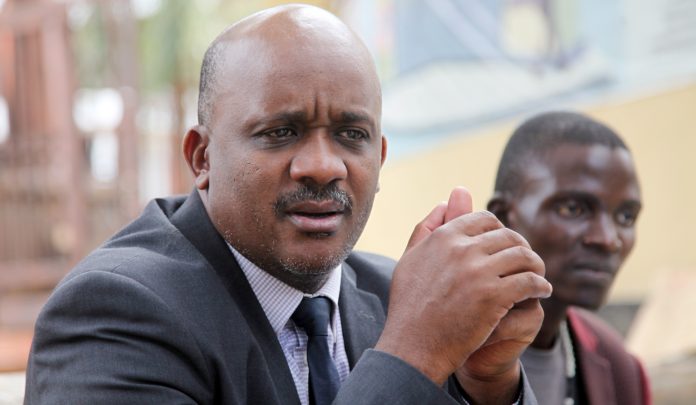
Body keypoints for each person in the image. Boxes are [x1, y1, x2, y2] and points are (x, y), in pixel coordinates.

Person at [25, 5, 552, 404]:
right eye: (280, 132)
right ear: (202, 157)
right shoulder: (114, 311)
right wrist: (413, 355)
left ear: (380, 157)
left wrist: (488, 384)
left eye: (351, 134)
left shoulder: (393, 297)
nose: (323, 166)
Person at [487, 111, 651, 404]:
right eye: (574, 209)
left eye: (626, 216)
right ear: (503, 217)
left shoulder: (621, 370)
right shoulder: (432, 354)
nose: (608, 239)